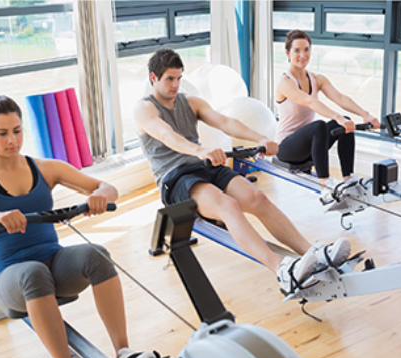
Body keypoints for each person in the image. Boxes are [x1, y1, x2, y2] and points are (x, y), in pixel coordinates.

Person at [0, 95, 156, 358]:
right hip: (10, 277)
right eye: (2, 133)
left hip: (54, 263)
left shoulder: (45, 168)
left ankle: (124, 352)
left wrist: (98, 196)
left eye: (17, 131)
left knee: (97, 254)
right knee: (33, 273)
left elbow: (107, 188)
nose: (12, 140)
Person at [134, 48, 353, 297]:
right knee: (228, 206)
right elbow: (166, 135)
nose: (175, 85)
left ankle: (312, 252)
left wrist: (260, 137)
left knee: (257, 198)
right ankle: (282, 270)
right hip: (176, 178)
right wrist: (199, 150)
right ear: (153, 78)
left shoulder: (190, 102)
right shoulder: (144, 109)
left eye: (178, 78)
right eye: (169, 79)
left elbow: (226, 122)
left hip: (204, 166)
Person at [275, 29, 382, 204]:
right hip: (287, 148)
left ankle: (349, 179)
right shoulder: (285, 82)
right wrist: (337, 117)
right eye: (297, 51)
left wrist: (366, 115)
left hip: (309, 148)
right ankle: (325, 185)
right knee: (320, 126)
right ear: (287, 53)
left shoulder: (317, 79)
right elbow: (309, 101)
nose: (303, 55)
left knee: (345, 123)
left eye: (306, 49)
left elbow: (340, 98)